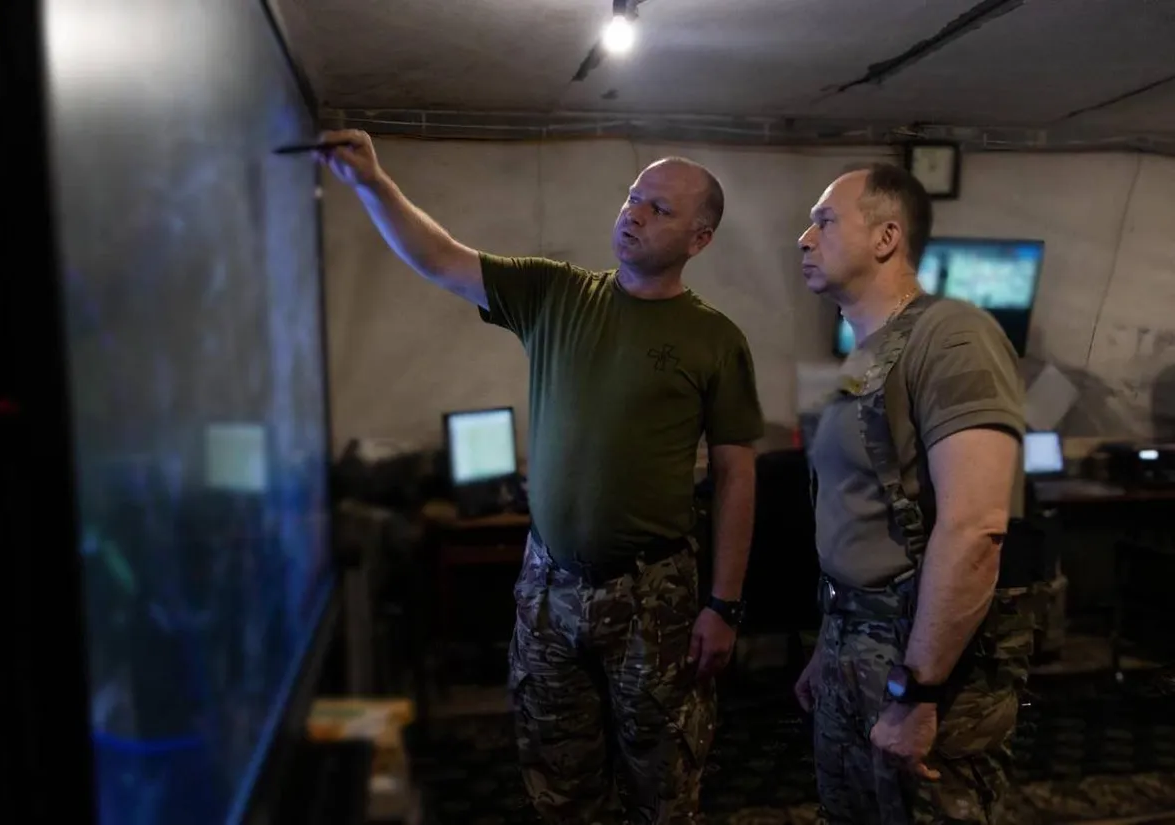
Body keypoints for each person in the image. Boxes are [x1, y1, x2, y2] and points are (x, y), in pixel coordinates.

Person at [317, 130, 764, 824]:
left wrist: (725, 603)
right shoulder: (555, 293)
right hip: (549, 587)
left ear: (699, 240)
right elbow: (438, 258)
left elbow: (738, 473)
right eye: (632, 197)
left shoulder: (715, 339)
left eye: (659, 209)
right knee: (557, 780)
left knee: (663, 784)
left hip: (655, 593)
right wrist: (374, 184)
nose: (634, 213)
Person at [793, 163, 1034, 824]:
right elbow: (859, 514)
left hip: (916, 660)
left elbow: (976, 526)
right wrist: (830, 645)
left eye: (823, 220)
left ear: (886, 237)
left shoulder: (953, 336)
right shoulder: (863, 356)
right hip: (854, 641)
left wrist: (920, 691)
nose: (803, 239)